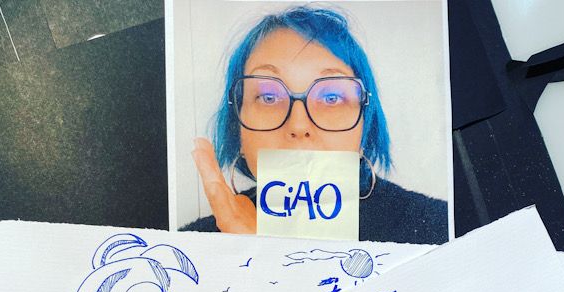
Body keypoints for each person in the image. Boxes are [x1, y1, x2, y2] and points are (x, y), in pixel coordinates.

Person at [186, 5, 448, 244]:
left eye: (331, 97)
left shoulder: (440, 230)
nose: (299, 126)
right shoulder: (189, 245)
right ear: (238, 128)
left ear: (365, 126)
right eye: (268, 97)